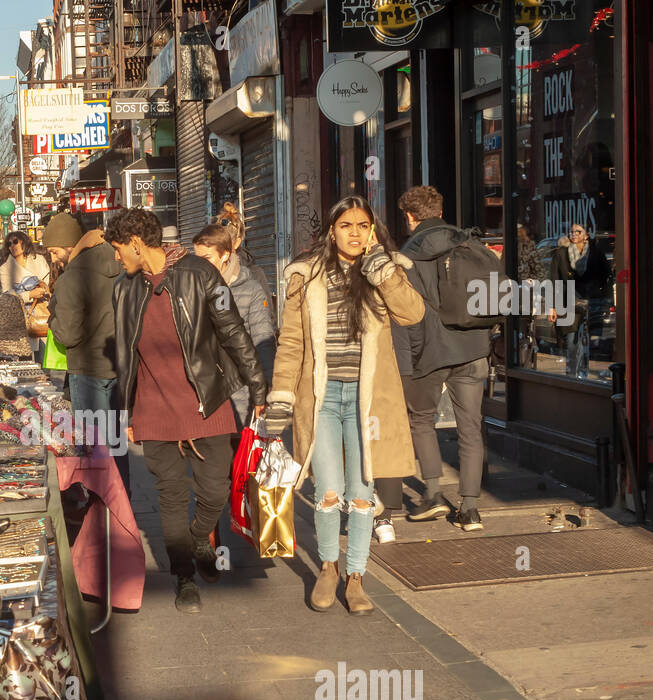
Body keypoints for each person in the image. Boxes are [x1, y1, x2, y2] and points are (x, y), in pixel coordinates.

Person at [263, 196, 425, 615]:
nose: (355, 233)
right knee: (329, 490)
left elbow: (413, 313)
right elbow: (292, 342)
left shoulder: (385, 269)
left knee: (360, 491)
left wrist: (384, 274)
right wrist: (280, 395)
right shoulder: (307, 275)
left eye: (362, 225)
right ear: (331, 231)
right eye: (346, 225)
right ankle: (328, 569)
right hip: (321, 398)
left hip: (368, 398)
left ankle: (356, 577)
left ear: (373, 230)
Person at [108, 208, 267, 614]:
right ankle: (183, 578)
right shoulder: (125, 290)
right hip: (153, 406)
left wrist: (257, 384)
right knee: (171, 497)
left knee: (215, 489)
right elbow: (124, 360)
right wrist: (126, 412)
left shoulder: (200, 273)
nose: (116, 258)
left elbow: (232, 328)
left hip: (207, 399)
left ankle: (200, 537)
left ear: (136, 244)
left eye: (118, 249)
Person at [374, 184, 493, 537]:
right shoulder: (471, 244)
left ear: (410, 217)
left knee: (421, 420)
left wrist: (406, 362)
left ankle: (433, 493)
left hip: (430, 351)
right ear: (440, 211)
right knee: (470, 428)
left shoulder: (407, 256)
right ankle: (470, 509)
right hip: (473, 348)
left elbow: (404, 313)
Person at [46, 212, 128, 485]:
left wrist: (52, 313)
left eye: (55, 251)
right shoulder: (119, 262)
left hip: (87, 369)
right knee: (116, 445)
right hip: (118, 366)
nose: (55, 258)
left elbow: (66, 334)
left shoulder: (72, 278)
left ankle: (100, 508)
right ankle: (122, 503)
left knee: (92, 445)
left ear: (69, 245)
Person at [192, 223, 276, 425]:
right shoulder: (191, 289)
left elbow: (262, 339)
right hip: (202, 393)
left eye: (206, 259)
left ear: (225, 255)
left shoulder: (251, 289)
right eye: (197, 259)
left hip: (240, 393)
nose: (200, 266)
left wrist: (266, 388)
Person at [548, 222, 612, 379]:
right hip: (569, 301)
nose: (574, 234)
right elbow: (553, 279)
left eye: (578, 231)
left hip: (591, 302)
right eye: (572, 232)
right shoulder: (561, 253)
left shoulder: (596, 253)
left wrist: (602, 295)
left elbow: (606, 275)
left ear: (586, 235)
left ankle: (583, 374)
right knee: (571, 341)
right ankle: (571, 375)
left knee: (588, 341)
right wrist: (552, 306)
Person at [0, 231, 50, 299]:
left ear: (24, 242)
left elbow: (47, 284)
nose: (12, 246)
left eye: (15, 242)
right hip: (19, 308)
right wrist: (29, 295)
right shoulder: (5, 269)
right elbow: (8, 294)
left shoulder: (39, 259)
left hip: (43, 304)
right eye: (9, 244)